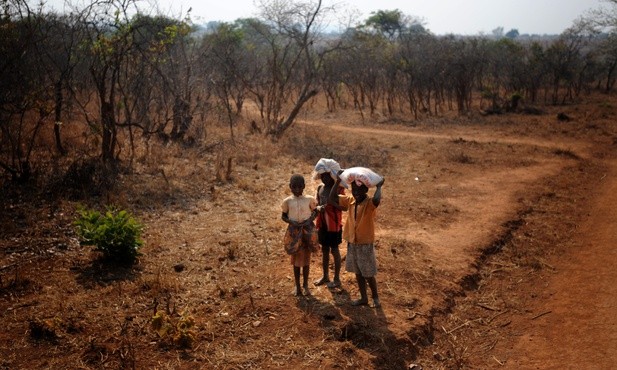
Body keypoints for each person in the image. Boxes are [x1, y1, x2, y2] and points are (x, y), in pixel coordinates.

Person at [329, 170, 384, 308]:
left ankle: (375, 298)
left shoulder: (369, 203)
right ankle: (364, 297)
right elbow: (331, 198)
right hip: (352, 242)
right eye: (354, 190)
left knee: (368, 273)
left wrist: (379, 187)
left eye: (360, 190)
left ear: (366, 189)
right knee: (358, 272)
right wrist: (337, 181)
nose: (356, 193)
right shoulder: (350, 201)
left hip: (365, 243)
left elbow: (377, 200)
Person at [281, 174, 320, 296]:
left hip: (307, 232)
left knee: (306, 260)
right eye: (294, 187)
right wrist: (290, 222)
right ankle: (297, 286)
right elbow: (283, 216)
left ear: (304, 186)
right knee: (296, 259)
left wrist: (310, 220)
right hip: (294, 233)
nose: (297, 190)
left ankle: (305, 286)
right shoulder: (287, 201)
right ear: (290, 187)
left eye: (299, 187)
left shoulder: (309, 200)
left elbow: (315, 212)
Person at [314, 171, 344, 288]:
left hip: (334, 225)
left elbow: (342, 205)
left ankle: (337, 278)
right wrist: (318, 208)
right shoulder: (320, 188)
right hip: (322, 225)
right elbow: (316, 204)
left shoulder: (338, 189)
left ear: (332, 176)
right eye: (322, 176)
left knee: (335, 250)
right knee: (325, 250)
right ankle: (325, 276)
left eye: (327, 176)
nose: (324, 178)